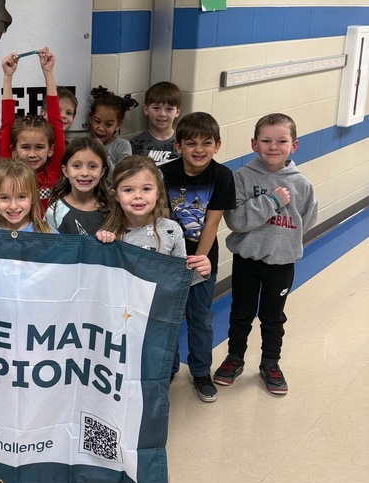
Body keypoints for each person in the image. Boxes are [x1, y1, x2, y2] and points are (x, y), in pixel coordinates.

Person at [213, 113, 317, 396]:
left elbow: (305, 221)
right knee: (241, 313)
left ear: (293, 146)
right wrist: (271, 202)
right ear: (253, 144)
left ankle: (270, 363)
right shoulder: (242, 178)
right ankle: (234, 358)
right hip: (247, 259)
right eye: (266, 140)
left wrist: (283, 241)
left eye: (281, 141)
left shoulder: (302, 184)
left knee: (273, 317)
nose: (273, 146)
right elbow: (236, 221)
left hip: (281, 263)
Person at [161, 113, 236, 403]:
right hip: (168, 260)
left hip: (202, 262)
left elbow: (212, 224)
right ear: (177, 146)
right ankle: (168, 368)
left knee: (200, 319)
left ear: (217, 145)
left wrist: (195, 264)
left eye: (207, 142)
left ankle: (201, 371)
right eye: (191, 143)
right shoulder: (164, 174)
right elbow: (162, 220)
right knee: (168, 319)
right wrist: (173, 262)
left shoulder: (222, 176)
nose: (199, 149)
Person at [98, 156, 211, 280]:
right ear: (116, 196)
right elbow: (101, 279)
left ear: (157, 193)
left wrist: (201, 271)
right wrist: (101, 245)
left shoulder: (172, 230)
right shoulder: (109, 232)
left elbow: (179, 278)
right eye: (128, 190)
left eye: (146, 189)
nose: (138, 196)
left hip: (160, 299)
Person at [0, 48, 65, 211]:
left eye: (39, 147)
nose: (32, 154)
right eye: (25, 147)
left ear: (51, 150)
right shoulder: (8, 172)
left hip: (49, 235)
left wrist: (48, 72)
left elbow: (56, 122)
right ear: (13, 150)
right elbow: (6, 126)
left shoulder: (54, 170)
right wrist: (8, 76)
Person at [45, 137, 112, 235]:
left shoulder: (111, 209)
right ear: (65, 170)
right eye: (76, 166)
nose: (84, 173)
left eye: (92, 166)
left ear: (102, 172)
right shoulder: (55, 212)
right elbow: (46, 247)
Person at [0, 160, 52, 233]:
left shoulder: (47, 233)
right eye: (4, 198)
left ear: (33, 197)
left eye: (21, 197)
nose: (13, 207)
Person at [130, 81, 182, 165]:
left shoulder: (183, 143)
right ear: (146, 109)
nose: (162, 114)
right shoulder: (135, 143)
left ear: (177, 112)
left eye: (169, 109)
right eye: (156, 108)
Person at [87, 86, 138, 170]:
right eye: (97, 121)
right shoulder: (84, 143)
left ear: (118, 124)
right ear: (90, 118)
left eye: (108, 125)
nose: (101, 128)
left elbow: (120, 178)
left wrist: (102, 153)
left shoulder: (122, 146)